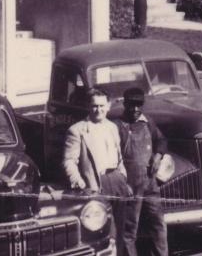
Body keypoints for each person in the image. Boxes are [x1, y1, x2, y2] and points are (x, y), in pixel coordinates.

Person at [64, 89, 132, 240]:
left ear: (108, 106)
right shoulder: (77, 130)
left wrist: (123, 178)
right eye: (94, 106)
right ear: (89, 106)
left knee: (121, 229)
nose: (98, 110)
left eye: (102, 105)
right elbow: (69, 160)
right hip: (96, 183)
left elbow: (119, 157)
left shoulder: (113, 127)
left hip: (117, 180)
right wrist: (78, 182)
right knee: (104, 230)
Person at [115, 88, 169, 256]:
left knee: (158, 224)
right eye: (131, 105)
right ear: (125, 104)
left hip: (150, 184)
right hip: (130, 186)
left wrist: (158, 156)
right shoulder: (117, 126)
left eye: (139, 105)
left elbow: (161, 140)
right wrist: (123, 183)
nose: (135, 109)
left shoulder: (148, 122)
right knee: (129, 229)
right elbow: (113, 157)